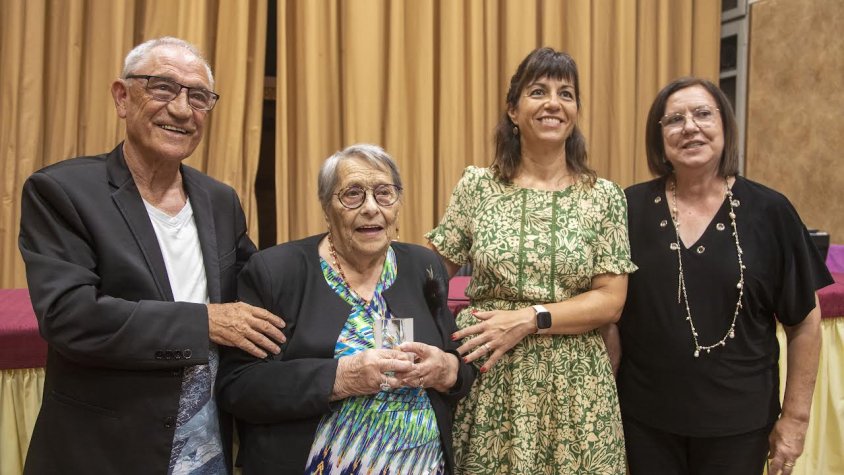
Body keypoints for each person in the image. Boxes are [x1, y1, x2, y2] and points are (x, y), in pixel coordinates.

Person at [18, 37, 286, 474]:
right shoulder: (63, 192)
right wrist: (204, 321)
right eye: (162, 88)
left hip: (208, 447)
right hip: (105, 450)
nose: (181, 109)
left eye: (198, 96)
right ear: (122, 97)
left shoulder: (219, 200)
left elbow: (254, 292)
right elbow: (70, 317)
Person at [425, 47, 636, 474]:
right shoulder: (478, 187)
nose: (553, 103)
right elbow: (427, 277)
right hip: (490, 377)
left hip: (577, 388)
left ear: (575, 111)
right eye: (538, 91)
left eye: (566, 93)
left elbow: (611, 301)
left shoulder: (604, 197)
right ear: (513, 110)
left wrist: (530, 318)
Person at [615, 77, 833, 475]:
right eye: (674, 119)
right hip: (645, 421)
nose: (690, 127)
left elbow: (804, 322)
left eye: (703, 114)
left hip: (741, 426)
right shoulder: (627, 208)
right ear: (659, 136)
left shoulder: (771, 212)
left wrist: (795, 421)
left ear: (725, 126)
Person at [216, 144, 476, 474]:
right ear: (327, 208)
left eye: (384, 193)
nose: (371, 208)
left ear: (398, 204)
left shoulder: (423, 265)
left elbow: (459, 365)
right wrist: (341, 377)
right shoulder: (276, 271)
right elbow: (238, 386)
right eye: (352, 194)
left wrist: (447, 370)